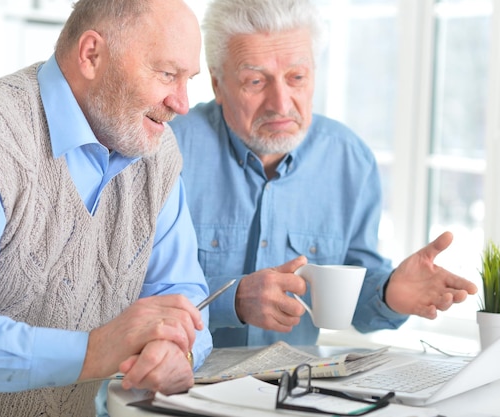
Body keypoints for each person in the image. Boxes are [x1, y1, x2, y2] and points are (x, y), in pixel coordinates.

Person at [169, 0, 478, 349]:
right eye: (256, 81)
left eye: (297, 78)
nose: (281, 104)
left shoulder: (350, 161)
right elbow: (129, 295)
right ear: (217, 84)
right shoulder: (168, 152)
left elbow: (354, 303)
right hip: (182, 391)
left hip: (289, 394)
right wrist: (234, 299)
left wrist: (390, 291)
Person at [0, 0, 212, 415]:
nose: (182, 104)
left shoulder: (155, 153)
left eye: (188, 79)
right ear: (92, 54)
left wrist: (177, 350)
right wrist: (94, 351)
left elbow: (180, 294)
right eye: (167, 74)